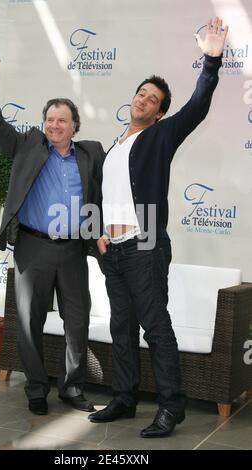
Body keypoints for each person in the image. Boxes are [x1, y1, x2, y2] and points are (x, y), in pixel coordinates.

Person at [88, 17, 228, 437]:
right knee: (121, 327)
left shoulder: (159, 137)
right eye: (140, 93)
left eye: (152, 99)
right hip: (112, 250)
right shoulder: (113, 146)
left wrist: (212, 60)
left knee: (156, 327)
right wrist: (98, 235)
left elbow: (198, 107)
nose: (143, 100)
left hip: (145, 244)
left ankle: (170, 407)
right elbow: (100, 195)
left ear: (160, 111)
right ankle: (125, 398)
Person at [0, 47, 105, 415]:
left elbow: (101, 194)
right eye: (49, 119)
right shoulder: (27, 145)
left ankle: (72, 387)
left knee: (77, 320)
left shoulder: (90, 154)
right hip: (32, 247)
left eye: (61, 121)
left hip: (72, 252)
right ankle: (36, 388)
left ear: (74, 126)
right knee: (30, 322)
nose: (54, 125)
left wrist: (99, 232)